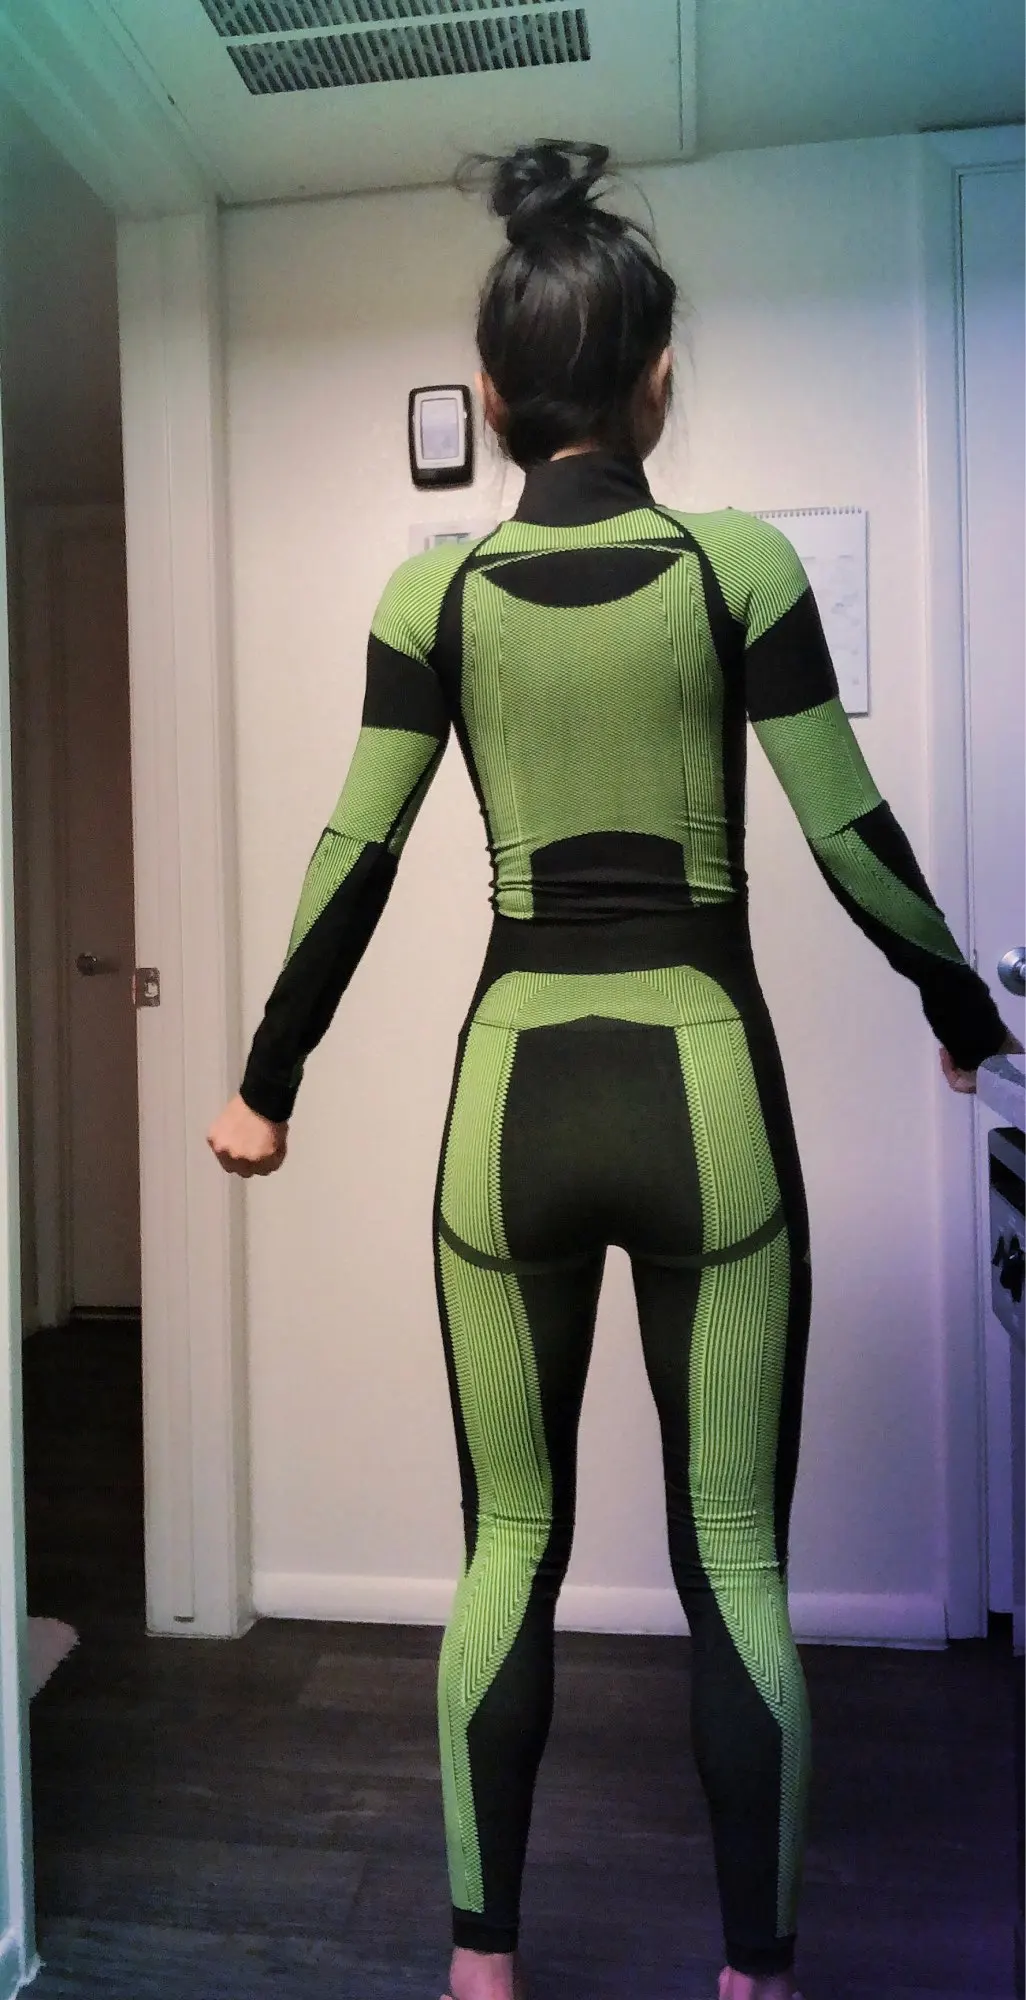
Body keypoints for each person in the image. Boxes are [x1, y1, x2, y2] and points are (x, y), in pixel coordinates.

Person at [207, 139, 1021, 2000]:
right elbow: (849, 834)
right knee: (732, 1555)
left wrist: (268, 1081)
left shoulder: (431, 599)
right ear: (658, 385)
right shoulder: (734, 568)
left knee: (506, 1539)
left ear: (490, 399)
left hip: (509, 1104)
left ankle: (480, 1970)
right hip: (701, 1096)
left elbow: (353, 854)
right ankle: (755, 1978)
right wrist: (963, 1020)